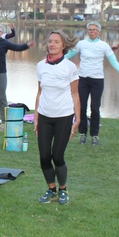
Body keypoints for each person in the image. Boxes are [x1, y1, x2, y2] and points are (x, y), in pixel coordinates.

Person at [35, 30, 80, 205]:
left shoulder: (70, 67)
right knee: (44, 156)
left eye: (56, 42)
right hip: (45, 116)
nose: (52, 44)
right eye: (50, 41)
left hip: (64, 117)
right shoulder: (40, 66)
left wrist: (78, 119)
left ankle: (63, 190)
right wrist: (37, 117)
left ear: (63, 46)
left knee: (57, 156)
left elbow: (75, 95)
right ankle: (51, 189)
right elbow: (39, 93)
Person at [65, 21, 119, 146]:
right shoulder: (81, 44)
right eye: (90, 29)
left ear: (98, 32)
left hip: (97, 80)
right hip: (83, 79)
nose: (92, 31)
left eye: (94, 30)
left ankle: (94, 135)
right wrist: (54, 60)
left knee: (95, 108)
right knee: (81, 107)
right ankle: (83, 133)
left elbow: (113, 60)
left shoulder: (103, 45)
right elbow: (69, 54)